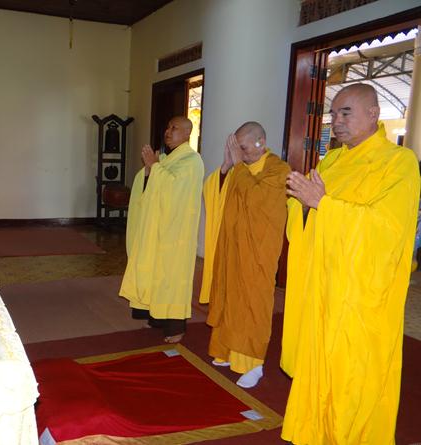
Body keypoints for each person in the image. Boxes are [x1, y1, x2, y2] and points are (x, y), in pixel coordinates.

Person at [281, 83, 420, 444]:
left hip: (360, 297)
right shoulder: (332, 161)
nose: (336, 121)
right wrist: (302, 203)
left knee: (352, 378)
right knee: (320, 366)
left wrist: (323, 205)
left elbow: (387, 229)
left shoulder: (398, 162)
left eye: (346, 112)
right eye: (333, 113)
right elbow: (307, 212)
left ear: (374, 114)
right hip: (323, 287)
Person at [199, 122, 290, 388]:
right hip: (231, 248)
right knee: (229, 298)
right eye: (236, 149)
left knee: (252, 305)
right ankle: (227, 350)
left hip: (256, 255)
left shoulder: (278, 169)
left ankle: (253, 364)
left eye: (243, 148)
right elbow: (216, 194)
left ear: (261, 142)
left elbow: (258, 200)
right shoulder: (240, 167)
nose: (239, 153)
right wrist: (226, 167)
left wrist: (237, 166)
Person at [119, 116, 204, 343]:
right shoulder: (166, 160)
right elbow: (148, 190)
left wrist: (154, 167)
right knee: (154, 273)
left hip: (175, 235)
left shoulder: (192, 161)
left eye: (174, 128)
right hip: (157, 230)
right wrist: (149, 170)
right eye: (167, 127)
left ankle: (175, 328)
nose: (168, 131)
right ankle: (155, 318)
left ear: (187, 133)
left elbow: (175, 191)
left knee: (172, 279)